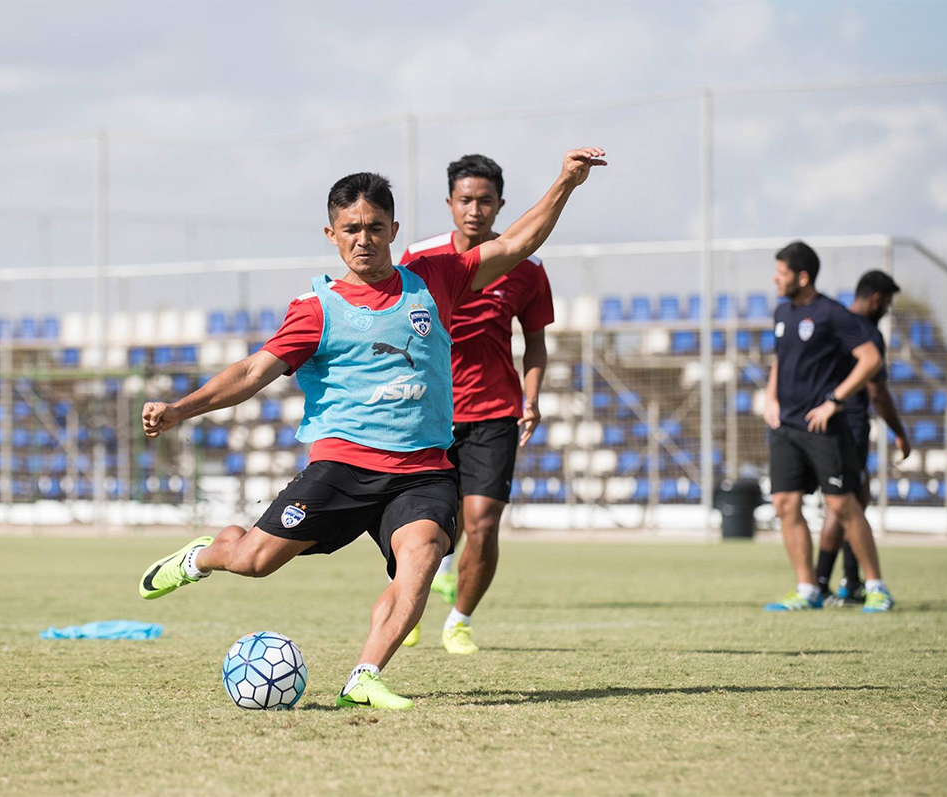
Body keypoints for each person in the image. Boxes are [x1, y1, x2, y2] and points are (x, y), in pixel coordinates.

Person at [137, 147, 607, 709]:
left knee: (424, 554)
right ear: (332, 234)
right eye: (351, 229)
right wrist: (178, 410)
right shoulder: (317, 307)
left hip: (423, 470)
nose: (364, 239)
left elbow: (516, 244)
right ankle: (199, 558)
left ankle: (364, 676)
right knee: (253, 562)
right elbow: (251, 372)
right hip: (342, 468)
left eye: (375, 227)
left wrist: (566, 182)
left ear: (394, 230)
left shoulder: (435, 279)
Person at [396, 154, 554, 655]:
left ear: (500, 204)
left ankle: (459, 621)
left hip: (494, 413)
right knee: (426, 530)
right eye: (465, 199)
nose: (475, 209)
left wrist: (532, 397)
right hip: (430, 413)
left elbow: (536, 343)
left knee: (482, 523)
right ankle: (407, 611)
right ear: (449, 203)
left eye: (486, 200)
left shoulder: (527, 268)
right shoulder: (418, 258)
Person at [762, 241, 894, 613]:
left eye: (781, 273)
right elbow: (780, 360)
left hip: (822, 428)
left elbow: (870, 359)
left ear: (802, 277)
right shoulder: (781, 312)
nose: (775, 278)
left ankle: (876, 586)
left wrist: (834, 400)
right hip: (785, 426)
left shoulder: (832, 314)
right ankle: (807, 590)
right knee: (785, 505)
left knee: (842, 504)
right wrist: (771, 398)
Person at [814, 270, 910, 606]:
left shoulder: (835, 323)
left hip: (824, 422)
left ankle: (837, 583)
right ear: (877, 299)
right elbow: (877, 392)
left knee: (845, 501)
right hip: (851, 426)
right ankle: (833, 584)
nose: (886, 308)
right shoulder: (867, 332)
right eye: (886, 301)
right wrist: (899, 431)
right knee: (848, 504)